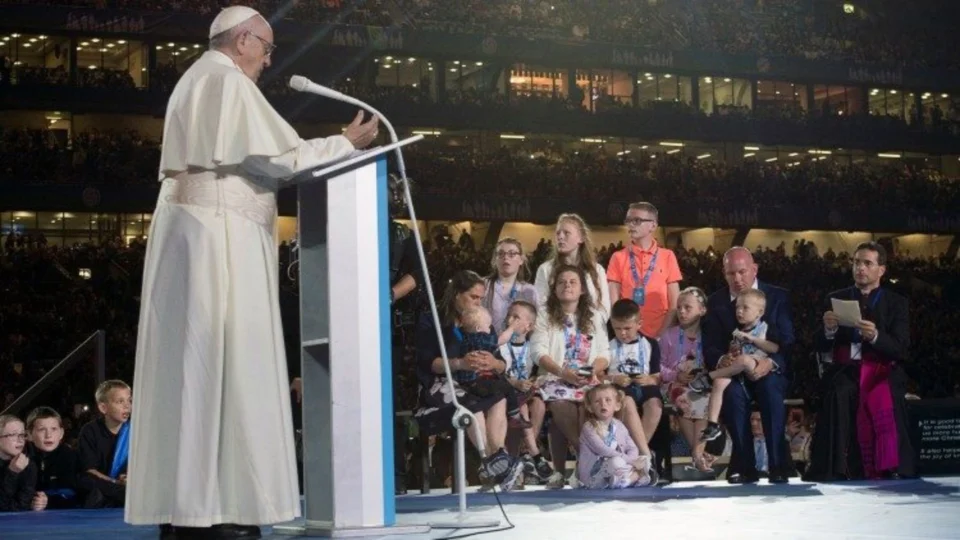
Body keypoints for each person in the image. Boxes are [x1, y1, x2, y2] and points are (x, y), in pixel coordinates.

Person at [125, 5, 380, 537]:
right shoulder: (226, 82)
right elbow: (277, 159)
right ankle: (221, 509)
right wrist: (343, 144)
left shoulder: (196, 79)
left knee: (195, 369)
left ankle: (191, 506)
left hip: (195, 234)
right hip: (218, 238)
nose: (268, 58)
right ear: (242, 40)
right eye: (265, 47)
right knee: (227, 363)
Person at [805, 241, 916, 481]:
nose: (860, 268)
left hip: (883, 368)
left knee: (887, 392)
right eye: (856, 262)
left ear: (881, 270)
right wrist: (828, 330)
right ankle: (839, 467)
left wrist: (876, 336)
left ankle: (891, 465)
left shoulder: (896, 303)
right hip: (847, 368)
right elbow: (817, 344)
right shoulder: (835, 298)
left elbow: (901, 348)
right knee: (838, 391)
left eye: (867, 263)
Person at [414, 271, 525, 491]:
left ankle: (498, 457)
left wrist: (493, 363)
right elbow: (428, 363)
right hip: (443, 382)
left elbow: (502, 364)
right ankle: (490, 461)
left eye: (480, 299)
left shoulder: (482, 319)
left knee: (499, 395)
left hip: (478, 381)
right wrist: (460, 364)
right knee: (470, 402)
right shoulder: (432, 320)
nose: (478, 302)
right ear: (456, 294)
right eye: (473, 297)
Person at [703, 247, 794, 484]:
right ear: (724, 273)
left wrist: (770, 363)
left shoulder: (778, 297)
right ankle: (743, 465)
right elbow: (711, 346)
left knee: (771, 390)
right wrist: (722, 359)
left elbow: (789, 341)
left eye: (742, 272)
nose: (737, 278)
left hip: (768, 369)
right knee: (731, 395)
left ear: (754, 269)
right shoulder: (715, 302)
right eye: (731, 273)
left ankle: (778, 465)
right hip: (734, 373)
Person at [692, 289, 780, 442]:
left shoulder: (764, 328)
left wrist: (752, 339)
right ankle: (713, 424)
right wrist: (731, 352)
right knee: (720, 383)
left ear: (760, 312)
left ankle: (709, 377)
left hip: (756, 365)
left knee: (744, 360)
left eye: (745, 308)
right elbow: (735, 355)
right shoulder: (737, 332)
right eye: (737, 308)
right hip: (738, 370)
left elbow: (775, 348)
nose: (739, 311)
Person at [606, 202, 682, 337]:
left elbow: (674, 305)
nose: (630, 225)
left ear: (653, 225)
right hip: (629, 339)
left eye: (637, 220)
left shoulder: (667, 256)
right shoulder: (618, 257)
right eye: (628, 220)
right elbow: (615, 306)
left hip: (661, 336)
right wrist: (627, 336)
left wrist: (660, 336)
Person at [499, 300, 554, 481]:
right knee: (521, 406)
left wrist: (534, 381)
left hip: (524, 392)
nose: (510, 320)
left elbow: (537, 373)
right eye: (509, 315)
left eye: (516, 317)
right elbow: (497, 374)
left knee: (538, 404)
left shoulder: (532, 348)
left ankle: (526, 453)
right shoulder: (501, 344)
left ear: (529, 326)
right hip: (507, 392)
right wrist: (515, 383)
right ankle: (535, 454)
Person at [604, 299, 663, 446]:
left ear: (639, 324)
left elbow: (657, 376)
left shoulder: (650, 344)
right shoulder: (607, 345)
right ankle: (643, 453)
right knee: (627, 402)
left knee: (655, 406)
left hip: (644, 386)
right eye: (617, 328)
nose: (622, 333)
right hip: (619, 387)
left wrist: (649, 379)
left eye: (627, 328)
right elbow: (599, 376)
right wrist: (614, 378)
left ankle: (637, 452)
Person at [534, 214, 611, 322]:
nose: (560, 237)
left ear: (581, 238)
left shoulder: (597, 270)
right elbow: (540, 306)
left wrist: (588, 327)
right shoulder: (545, 269)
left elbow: (605, 309)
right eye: (558, 233)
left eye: (566, 233)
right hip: (556, 330)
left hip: (590, 331)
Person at [577, 384, 656, 489]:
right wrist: (631, 461)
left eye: (608, 400)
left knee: (644, 460)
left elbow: (632, 447)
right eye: (597, 401)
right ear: (590, 408)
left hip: (622, 465)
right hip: (595, 475)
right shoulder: (589, 427)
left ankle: (626, 480)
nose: (602, 404)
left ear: (617, 405)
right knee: (616, 462)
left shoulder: (619, 425)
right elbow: (602, 450)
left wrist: (634, 461)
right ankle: (632, 477)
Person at [78, 380, 131, 509]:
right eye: (120, 402)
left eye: (129, 400)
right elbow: (90, 470)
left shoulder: (136, 430)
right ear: (103, 408)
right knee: (86, 481)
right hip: (103, 483)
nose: (127, 406)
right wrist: (115, 482)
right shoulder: (90, 430)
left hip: (127, 484)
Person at [25, 407, 80, 510]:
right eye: (41, 430)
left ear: (61, 433)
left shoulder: (69, 456)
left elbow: (74, 493)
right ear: (29, 434)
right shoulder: (22, 456)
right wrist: (30, 500)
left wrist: (49, 500)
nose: (48, 435)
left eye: (54, 429)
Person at [0, 414, 37, 512]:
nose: (20, 440)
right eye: (13, 435)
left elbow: (21, 506)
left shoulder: (28, 465)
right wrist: (12, 472)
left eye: (22, 435)